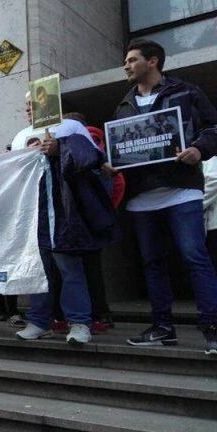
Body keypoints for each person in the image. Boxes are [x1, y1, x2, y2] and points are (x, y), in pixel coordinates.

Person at [110, 40, 217, 354]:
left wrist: (199, 149)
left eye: (132, 60)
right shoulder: (124, 104)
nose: (127, 66)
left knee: (195, 258)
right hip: (141, 197)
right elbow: (120, 146)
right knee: (152, 264)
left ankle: (212, 329)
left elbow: (214, 128)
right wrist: (111, 162)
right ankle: (162, 328)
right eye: (126, 61)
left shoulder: (187, 91)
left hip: (181, 190)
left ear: (152, 61)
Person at [15, 124, 119, 346]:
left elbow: (91, 157)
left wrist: (60, 147)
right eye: (26, 105)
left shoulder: (71, 127)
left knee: (70, 270)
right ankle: (40, 322)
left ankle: (79, 322)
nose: (30, 108)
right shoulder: (20, 137)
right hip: (37, 217)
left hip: (65, 215)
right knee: (39, 274)